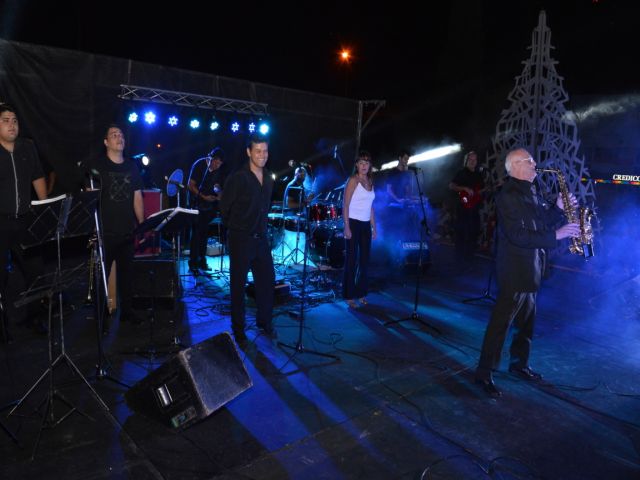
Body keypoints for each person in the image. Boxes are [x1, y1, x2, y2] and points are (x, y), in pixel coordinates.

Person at [474, 148, 580, 397]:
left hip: (532, 268)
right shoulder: (507, 195)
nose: (535, 164)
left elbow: (539, 222)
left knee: (526, 325)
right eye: (530, 161)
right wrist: (558, 234)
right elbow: (518, 235)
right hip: (514, 270)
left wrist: (557, 208)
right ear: (516, 166)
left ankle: (519, 364)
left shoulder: (529, 191)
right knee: (500, 325)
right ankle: (483, 373)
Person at [219, 134, 276, 346]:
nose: (262, 155)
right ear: (249, 152)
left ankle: (265, 322)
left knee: (267, 282)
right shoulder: (238, 177)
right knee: (238, 285)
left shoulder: (269, 177)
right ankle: (239, 329)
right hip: (241, 238)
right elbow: (224, 208)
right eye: (258, 151)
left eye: (265, 151)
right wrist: (237, 228)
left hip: (261, 239)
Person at [0, 103, 47, 342]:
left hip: (26, 221)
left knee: (36, 271)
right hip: (1, 223)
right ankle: (3, 324)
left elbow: (38, 177)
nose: (11, 124)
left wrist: (46, 209)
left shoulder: (27, 148)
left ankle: (35, 317)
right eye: (6, 120)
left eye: (15, 120)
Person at [91, 124, 145, 326]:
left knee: (127, 276)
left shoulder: (132, 166)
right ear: (106, 142)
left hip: (127, 232)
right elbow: (90, 198)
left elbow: (137, 197)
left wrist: (142, 225)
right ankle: (100, 316)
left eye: (121, 134)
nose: (119, 137)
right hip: (105, 233)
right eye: (114, 134)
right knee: (101, 277)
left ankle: (127, 313)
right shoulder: (98, 166)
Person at [342, 151, 377, 308]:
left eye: (367, 163)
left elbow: (371, 208)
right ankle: (349, 295)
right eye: (361, 163)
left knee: (364, 262)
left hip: (365, 226)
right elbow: (345, 205)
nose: (364, 166)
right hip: (353, 223)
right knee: (351, 260)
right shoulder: (353, 180)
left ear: (370, 166)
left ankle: (361, 293)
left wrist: (374, 227)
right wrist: (347, 227)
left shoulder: (370, 181)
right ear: (356, 164)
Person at [187, 147, 225, 272]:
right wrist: (203, 197)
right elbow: (190, 185)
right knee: (196, 233)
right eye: (217, 162)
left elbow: (216, 185)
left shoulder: (218, 170)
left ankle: (202, 261)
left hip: (208, 206)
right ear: (211, 159)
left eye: (220, 164)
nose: (218, 166)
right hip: (196, 203)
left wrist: (219, 193)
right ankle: (193, 262)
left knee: (204, 233)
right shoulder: (199, 165)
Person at [449, 150, 485, 260]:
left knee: (474, 232)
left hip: (474, 208)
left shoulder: (479, 174)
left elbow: (480, 191)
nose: (473, 161)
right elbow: (451, 185)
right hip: (463, 208)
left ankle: (470, 258)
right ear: (466, 160)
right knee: (462, 233)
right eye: (471, 159)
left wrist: (487, 190)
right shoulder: (462, 172)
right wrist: (464, 188)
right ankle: (459, 259)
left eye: (475, 159)